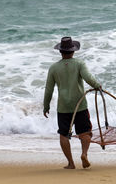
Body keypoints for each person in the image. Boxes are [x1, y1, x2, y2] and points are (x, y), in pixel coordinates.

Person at [43, 37, 101, 169]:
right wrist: (97, 86)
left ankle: (71, 163)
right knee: (85, 132)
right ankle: (84, 154)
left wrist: (46, 106)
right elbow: (88, 78)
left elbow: (49, 89)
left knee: (63, 134)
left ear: (60, 52)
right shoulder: (79, 64)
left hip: (63, 106)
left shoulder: (53, 68)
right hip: (79, 104)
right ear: (73, 51)